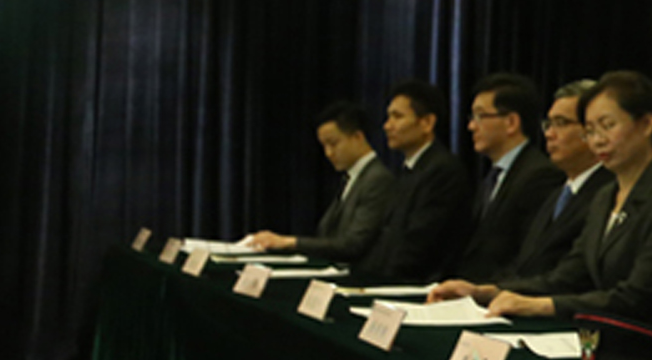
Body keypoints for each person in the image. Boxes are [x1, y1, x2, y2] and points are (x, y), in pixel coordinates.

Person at [487, 71, 652, 327]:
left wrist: (540, 306)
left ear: (646, 124)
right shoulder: (605, 196)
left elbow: (634, 298)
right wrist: (489, 292)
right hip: (607, 336)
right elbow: (567, 277)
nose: (598, 140)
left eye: (608, 126)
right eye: (590, 131)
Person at [430, 80, 608, 304]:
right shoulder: (560, 192)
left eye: (561, 123)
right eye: (548, 124)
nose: (550, 134)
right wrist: (483, 291)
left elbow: (565, 276)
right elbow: (525, 263)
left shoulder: (604, 192)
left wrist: (491, 293)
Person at [348, 80, 472, 284]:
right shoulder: (410, 169)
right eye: (388, 117)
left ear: (427, 123)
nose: (387, 126)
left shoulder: (442, 170)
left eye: (397, 117)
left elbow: (419, 244)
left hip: (418, 284)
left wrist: (377, 283)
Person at [247, 101, 397, 262]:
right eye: (324, 146)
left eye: (333, 143)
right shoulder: (350, 178)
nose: (328, 153)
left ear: (357, 137)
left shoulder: (377, 179)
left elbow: (354, 244)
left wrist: (289, 242)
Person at [454, 72, 561, 282]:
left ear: (511, 122)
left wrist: (486, 292)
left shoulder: (540, 176)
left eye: (480, 116)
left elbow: (526, 256)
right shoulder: (493, 176)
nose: (471, 126)